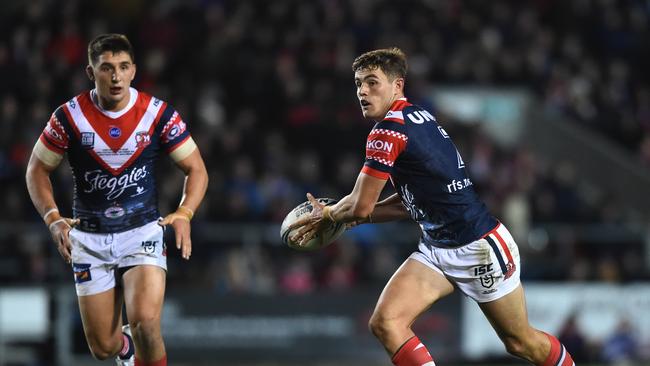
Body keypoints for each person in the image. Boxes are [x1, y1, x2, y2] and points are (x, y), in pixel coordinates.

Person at [289, 47, 575, 366]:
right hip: (437, 246)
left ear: (397, 85)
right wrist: (349, 218)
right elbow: (407, 204)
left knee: (521, 343)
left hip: (478, 246)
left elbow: (360, 205)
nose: (362, 91)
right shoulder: (417, 117)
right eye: (358, 84)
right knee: (386, 323)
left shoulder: (387, 132)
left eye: (372, 82)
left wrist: (330, 215)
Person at [25, 34, 208, 366]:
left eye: (123, 67)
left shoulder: (157, 114)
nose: (116, 76)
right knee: (103, 349)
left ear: (134, 70)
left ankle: (136, 344)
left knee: (146, 323)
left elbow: (195, 169)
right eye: (106, 68)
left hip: (142, 233)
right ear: (90, 72)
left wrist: (184, 212)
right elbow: (36, 171)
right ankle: (124, 348)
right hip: (89, 238)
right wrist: (53, 219)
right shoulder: (68, 117)